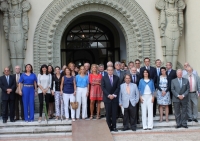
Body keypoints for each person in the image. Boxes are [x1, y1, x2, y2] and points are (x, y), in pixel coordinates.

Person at [101, 66, 120, 132]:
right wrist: (108, 95)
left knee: (114, 113)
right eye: (109, 70)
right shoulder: (104, 78)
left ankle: (114, 127)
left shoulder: (117, 78)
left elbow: (118, 87)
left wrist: (114, 95)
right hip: (107, 98)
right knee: (108, 113)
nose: (110, 71)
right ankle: (109, 126)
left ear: (113, 70)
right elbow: (103, 87)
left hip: (114, 98)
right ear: (107, 71)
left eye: (111, 70)